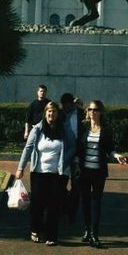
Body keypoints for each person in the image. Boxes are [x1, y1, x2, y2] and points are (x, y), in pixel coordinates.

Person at [15, 99, 78, 246]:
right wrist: (20, 168)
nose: (51, 114)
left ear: (57, 114)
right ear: (45, 113)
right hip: (38, 172)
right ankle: (35, 229)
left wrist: (65, 161)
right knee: (37, 203)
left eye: (54, 111)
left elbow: (73, 147)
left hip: (57, 173)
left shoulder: (64, 128)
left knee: (54, 205)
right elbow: (28, 149)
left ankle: (51, 235)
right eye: (49, 111)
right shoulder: (37, 129)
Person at [76, 99, 126, 249]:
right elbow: (78, 148)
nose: (92, 112)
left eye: (95, 110)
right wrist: (77, 164)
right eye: (90, 109)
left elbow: (110, 148)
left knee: (96, 202)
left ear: (100, 112)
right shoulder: (83, 127)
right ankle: (86, 229)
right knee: (85, 201)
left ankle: (94, 234)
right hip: (84, 171)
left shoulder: (106, 130)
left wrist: (116, 155)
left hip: (99, 171)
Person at [59, 92, 82, 220]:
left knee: (76, 185)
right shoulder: (60, 114)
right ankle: (64, 207)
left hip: (77, 154)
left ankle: (72, 212)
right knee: (60, 183)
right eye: (64, 106)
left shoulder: (82, 114)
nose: (66, 108)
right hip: (63, 153)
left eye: (68, 105)